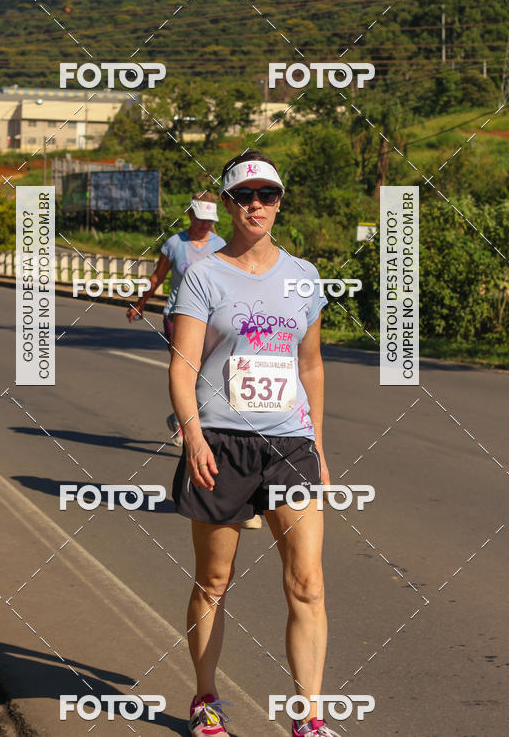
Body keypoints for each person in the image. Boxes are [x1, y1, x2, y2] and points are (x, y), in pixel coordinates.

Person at [169, 151, 339, 737]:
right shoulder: (203, 274)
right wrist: (193, 436)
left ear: (279, 202)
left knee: (308, 582)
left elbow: (310, 366)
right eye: (245, 197)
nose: (256, 206)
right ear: (229, 204)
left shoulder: (305, 277)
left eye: (267, 195)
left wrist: (317, 440)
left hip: (289, 442)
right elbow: (183, 363)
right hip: (222, 441)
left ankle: (308, 715)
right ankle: (206, 697)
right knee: (214, 580)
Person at [126, 192, 226, 447]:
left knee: (211, 374)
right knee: (187, 371)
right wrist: (140, 304)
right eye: (200, 219)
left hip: (212, 318)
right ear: (190, 215)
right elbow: (158, 277)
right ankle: (184, 425)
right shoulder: (174, 244)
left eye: (209, 220)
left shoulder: (221, 245)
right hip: (178, 315)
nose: (205, 225)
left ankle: (179, 415)